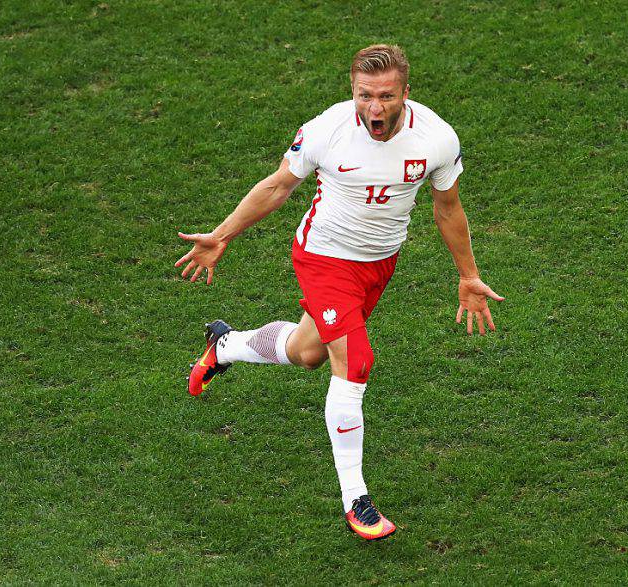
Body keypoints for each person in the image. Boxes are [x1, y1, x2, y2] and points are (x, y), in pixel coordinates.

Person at [175, 44, 504, 541]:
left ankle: (227, 345)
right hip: (324, 257)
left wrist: (467, 275)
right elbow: (278, 187)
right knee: (355, 361)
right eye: (365, 96)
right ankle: (356, 499)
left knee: (307, 353)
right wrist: (222, 234)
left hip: (379, 264)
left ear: (405, 94)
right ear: (353, 91)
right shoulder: (327, 130)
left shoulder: (436, 138)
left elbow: (448, 207)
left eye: (386, 96)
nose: (375, 108)